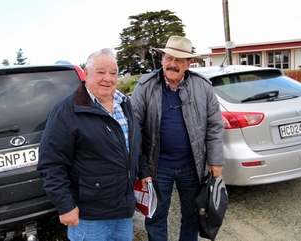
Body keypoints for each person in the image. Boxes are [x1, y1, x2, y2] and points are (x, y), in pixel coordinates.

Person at [37, 48, 151, 241]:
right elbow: (51, 165)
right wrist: (65, 206)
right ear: (86, 73)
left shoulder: (124, 104)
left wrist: (144, 171)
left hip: (123, 211)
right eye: (100, 72)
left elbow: (133, 145)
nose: (108, 78)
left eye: (113, 73)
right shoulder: (66, 111)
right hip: (90, 217)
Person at [130, 35, 225, 241]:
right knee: (155, 215)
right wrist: (140, 167)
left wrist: (216, 160)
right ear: (162, 58)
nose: (173, 64)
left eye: (179, 60)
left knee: (192, 214)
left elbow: (214, 126)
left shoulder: (203, 87)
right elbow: (133, 127)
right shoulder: (145, 86)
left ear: (189, 63)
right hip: (157, 166)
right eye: (169, 58)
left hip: (192, 165)